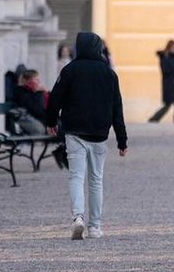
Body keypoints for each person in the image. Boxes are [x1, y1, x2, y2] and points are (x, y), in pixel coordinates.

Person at [46, 30, 128, 239]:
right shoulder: (109, 74)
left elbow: (55, 98)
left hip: (74, 132)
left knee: (76, 176)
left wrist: (51, 121)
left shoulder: (70, 70)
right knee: (96, 179)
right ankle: (95, 227)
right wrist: (122, 139)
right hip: (99, 133)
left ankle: (78, 218)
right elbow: (117, 108)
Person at [149, 40, 174, 123]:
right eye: (173, 47)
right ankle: (154, 119)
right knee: (167, 105)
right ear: (169, 47)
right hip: (168, 84)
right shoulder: (165, 57)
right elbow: (166, 70)